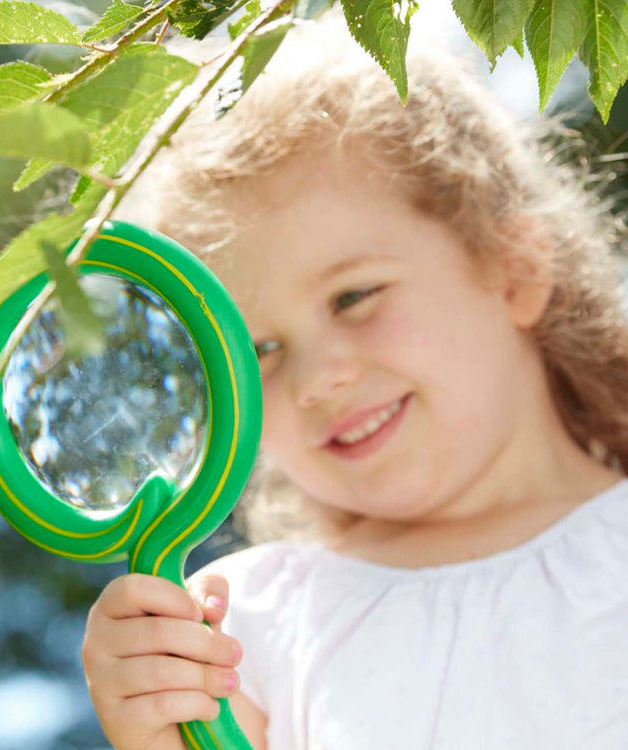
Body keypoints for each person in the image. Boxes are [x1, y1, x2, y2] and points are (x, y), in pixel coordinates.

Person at [80, 8, 628, 749]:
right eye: (259, 350)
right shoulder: (244, 630)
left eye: (353, 297)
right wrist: (157, 734)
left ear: (514, 268)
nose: (316, 381)